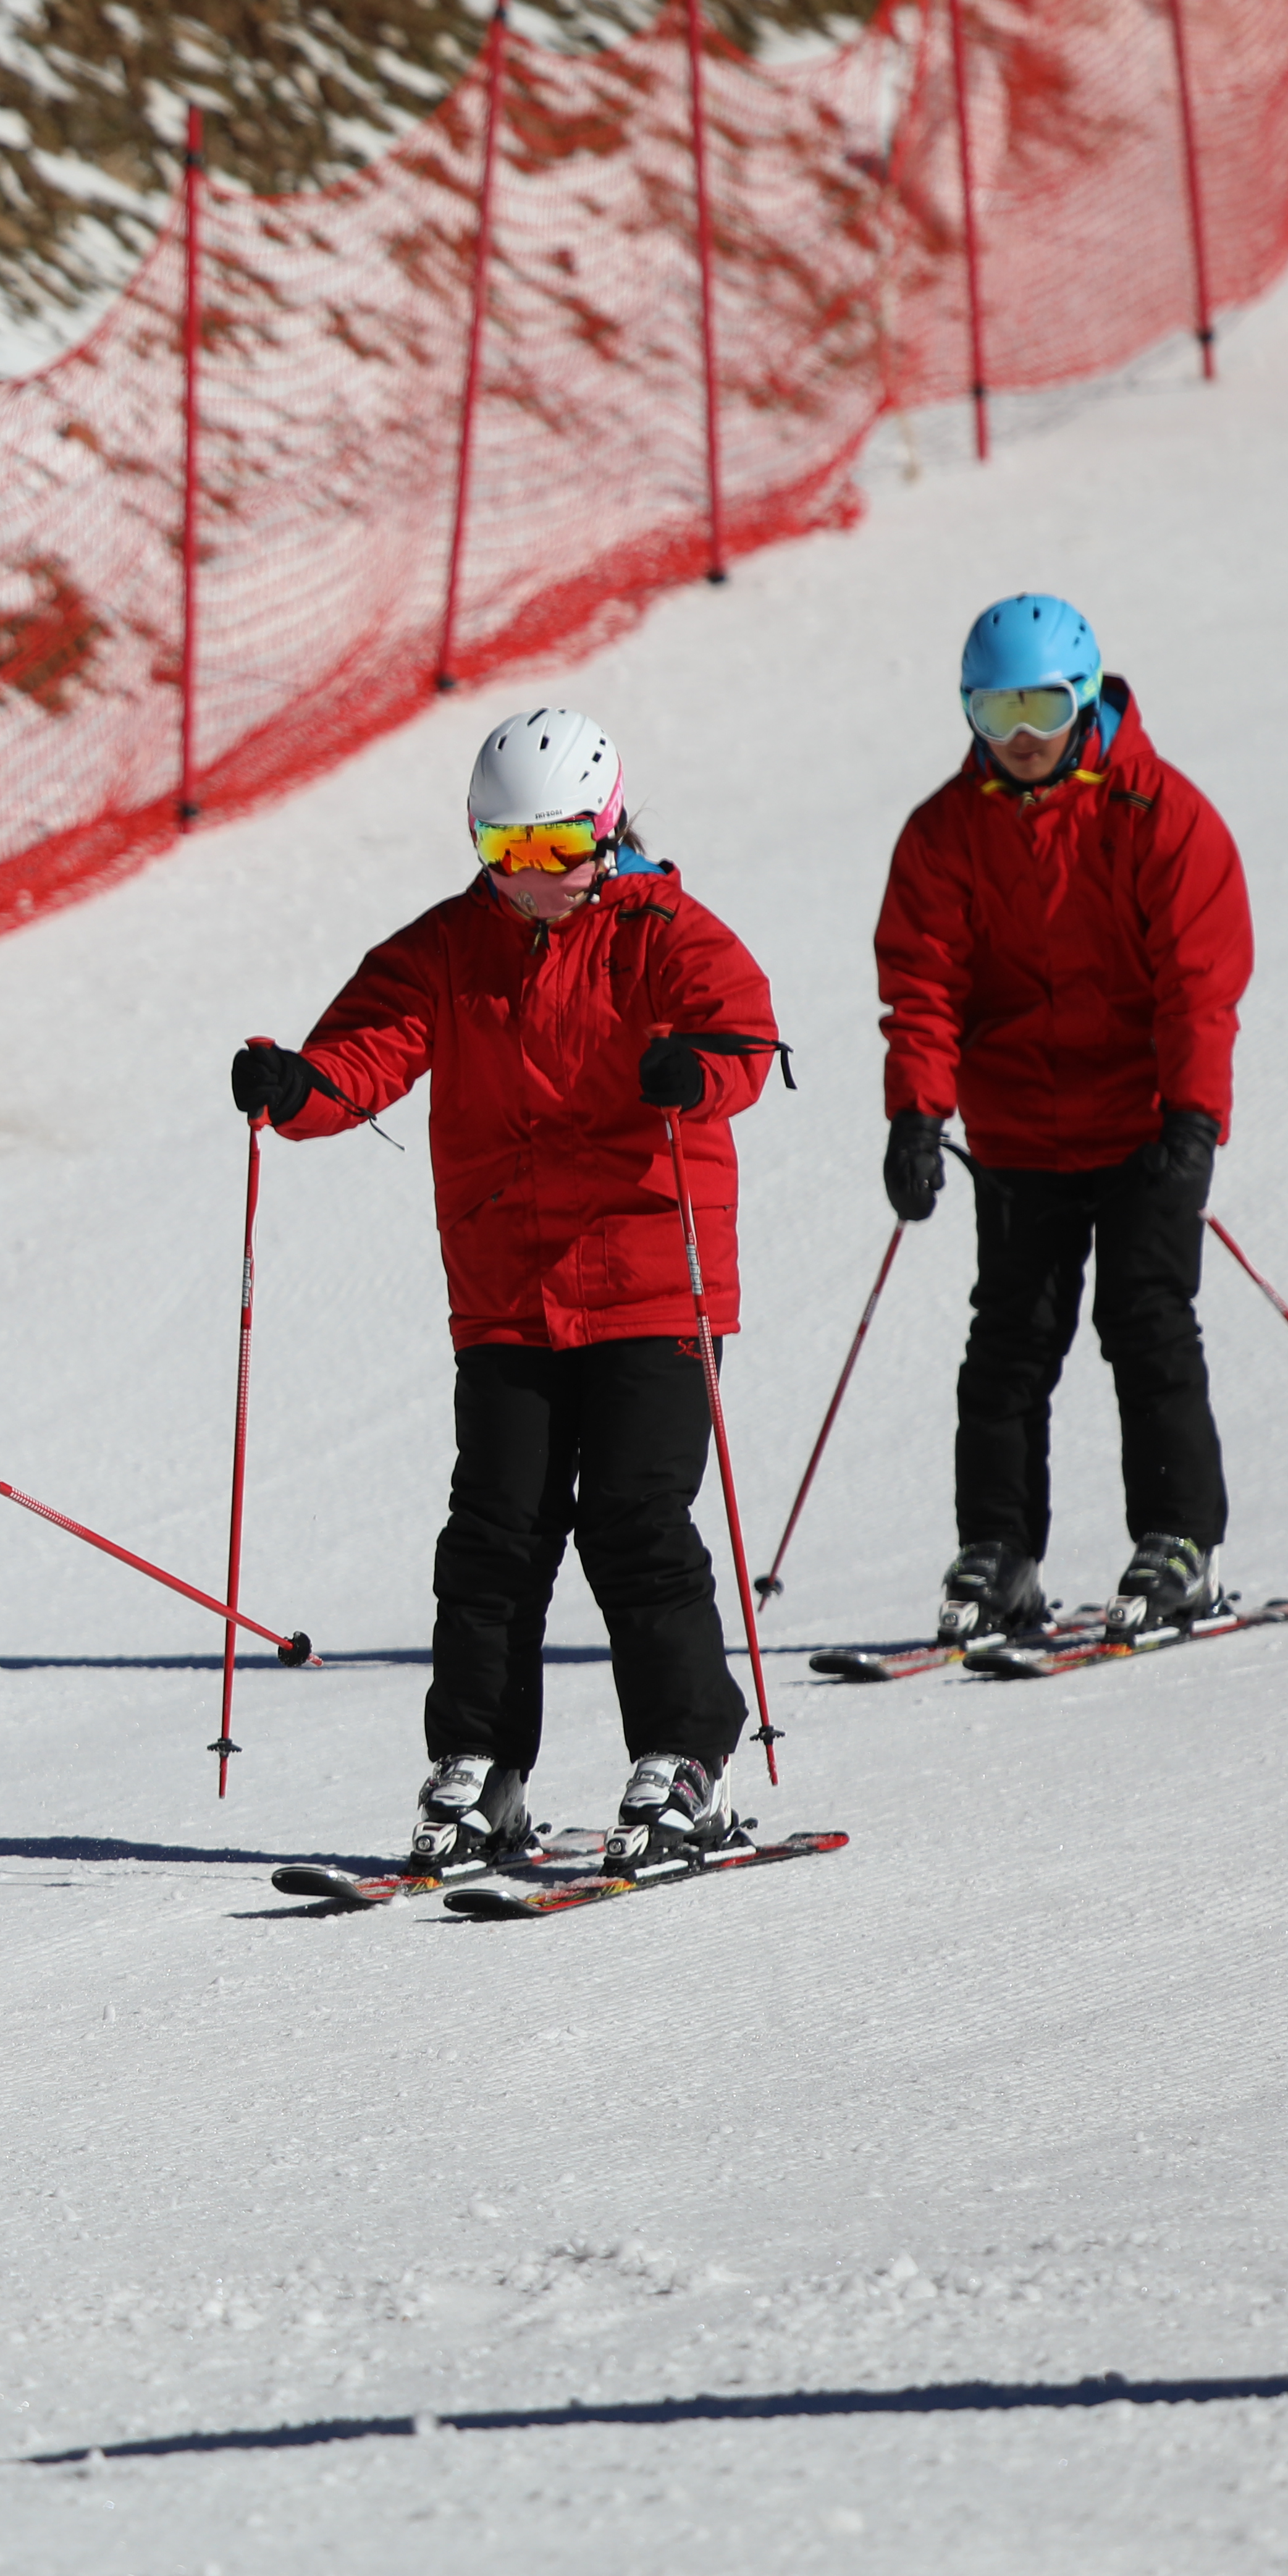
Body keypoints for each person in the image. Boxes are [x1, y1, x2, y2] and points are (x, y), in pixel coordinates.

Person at [230, 709, 780, 1881]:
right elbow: (364, 1053)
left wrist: (696, 1069)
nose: (531, 877)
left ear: (608, 829)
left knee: (635, 1519)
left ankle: (687, 1758)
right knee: (495, 1536)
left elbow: (743, 1035)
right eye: (504, 849)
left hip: (649, 1282)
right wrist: (296, 1085)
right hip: (508, 1292)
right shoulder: (449, 947)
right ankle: (480, 1768)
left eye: (557, 849)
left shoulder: (663, 932)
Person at [875, 594, 1252, 1646]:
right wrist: (917, 1115)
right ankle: (999, 1553)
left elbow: (1198, 981)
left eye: (1042, 708)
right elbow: (923, 985)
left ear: (1085, 698)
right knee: (1010, 1342)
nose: (1024, 738)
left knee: (1146, 1321)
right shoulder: (945, 833)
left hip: (1142, 1127)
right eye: (997, 714)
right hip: (1020, 1133)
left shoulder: (1159, 814)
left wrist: (1193, 1118)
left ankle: (1180, 1541)